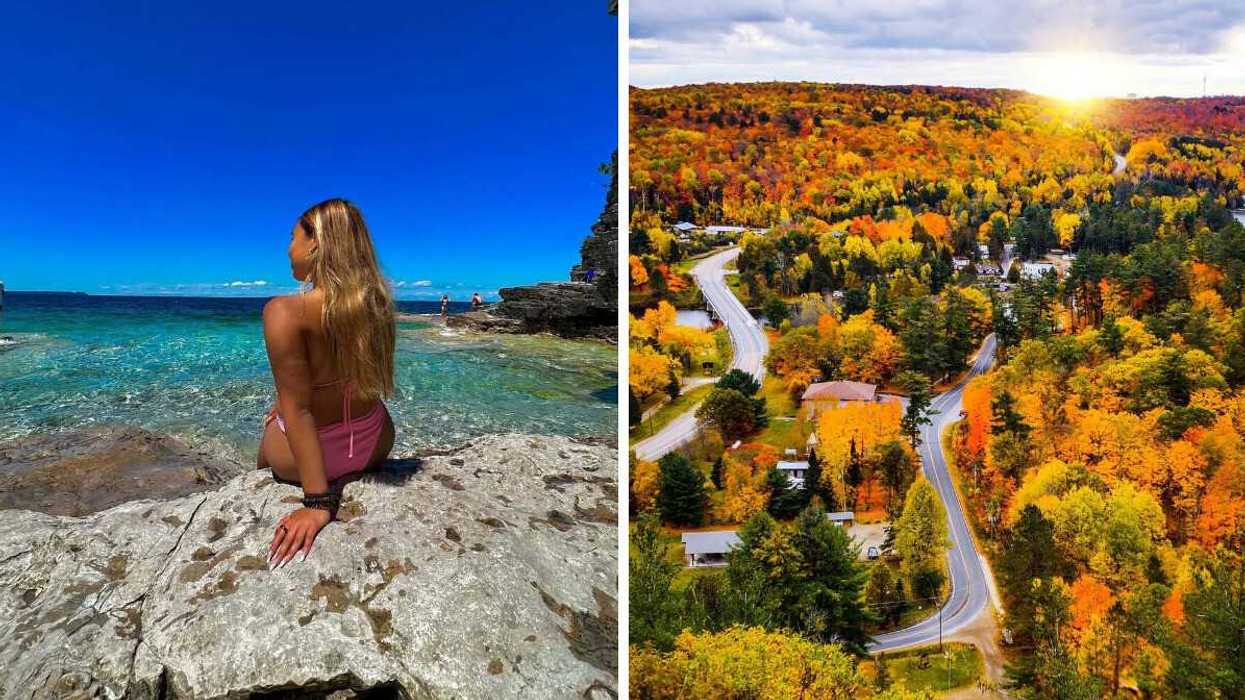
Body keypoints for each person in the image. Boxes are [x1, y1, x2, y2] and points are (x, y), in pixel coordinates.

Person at [257, 198, 397, 568]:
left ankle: (253, 482)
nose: (288, 248)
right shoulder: (377, 304)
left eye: (292, 237)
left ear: (315, 243)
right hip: (373, 444)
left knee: (276, 422)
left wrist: (318, 504)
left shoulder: (283, 311)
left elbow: (300, 409)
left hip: (302, 464)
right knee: (286, 405)